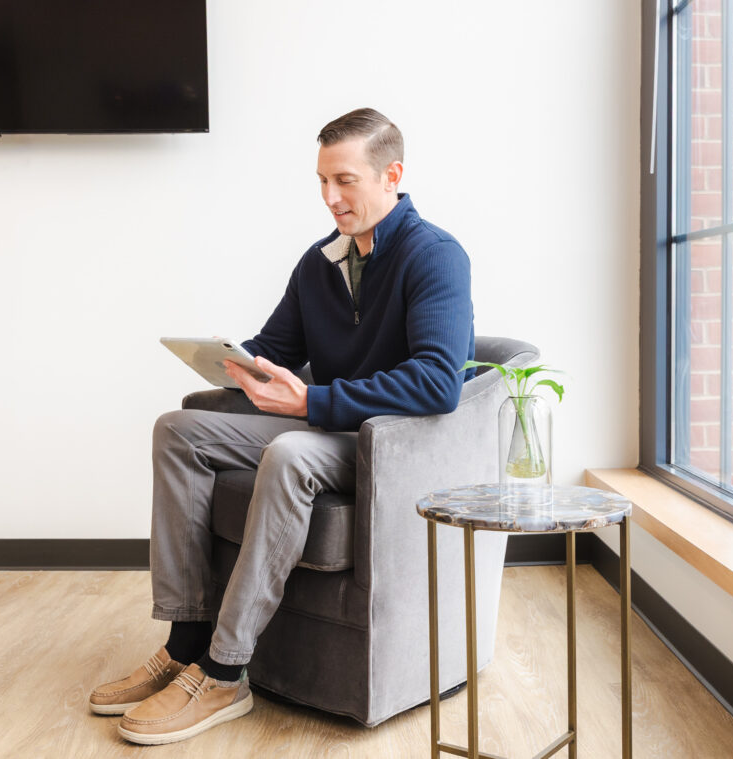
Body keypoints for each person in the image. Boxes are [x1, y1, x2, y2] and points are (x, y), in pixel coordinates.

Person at [89, 107, 477, 745]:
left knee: (292, 453)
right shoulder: (320, 263)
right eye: (323, 181)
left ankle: (225, 671)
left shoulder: (435, 256)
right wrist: (235, 363)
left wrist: (311, 402)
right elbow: (276, 348)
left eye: (345, 180)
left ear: (392, 176)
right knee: (177, 430)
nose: (330, 197)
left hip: (385, 444)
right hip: (324, 427)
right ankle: (186, 642)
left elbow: (437, 382)